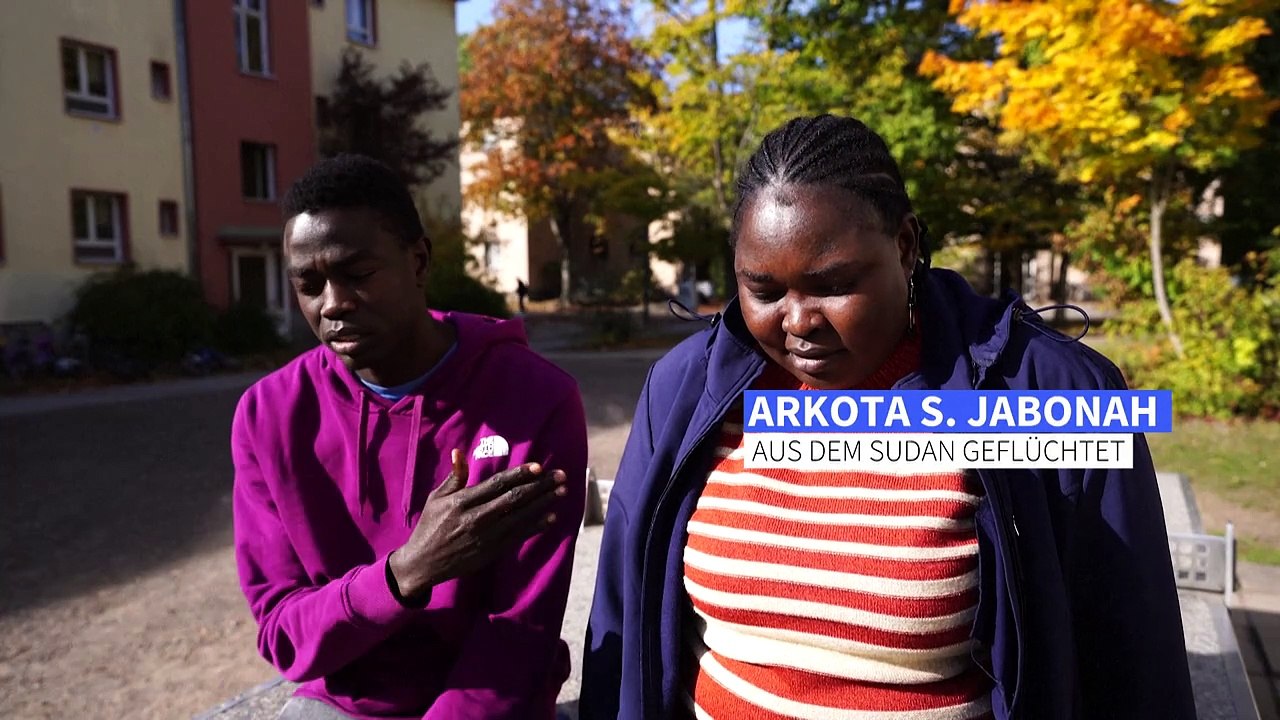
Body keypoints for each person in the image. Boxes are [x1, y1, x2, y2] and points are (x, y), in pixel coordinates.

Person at [579, 115, 1195, 720]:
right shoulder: (685, 389)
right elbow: (622, 613)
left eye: (833, 284)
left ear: (905, 246)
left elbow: (1133, 662)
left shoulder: (1052, 397)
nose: (797, 321)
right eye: (763, 290)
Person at [231, 154, 588, 720]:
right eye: (309, 283)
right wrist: (406, 571)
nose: (333, 304)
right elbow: (283, 634)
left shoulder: (535, 401)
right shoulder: (268, 414)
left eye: (359, 274)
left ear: (418, 261)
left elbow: (519, 634)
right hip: (347, 703)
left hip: (492, 704)